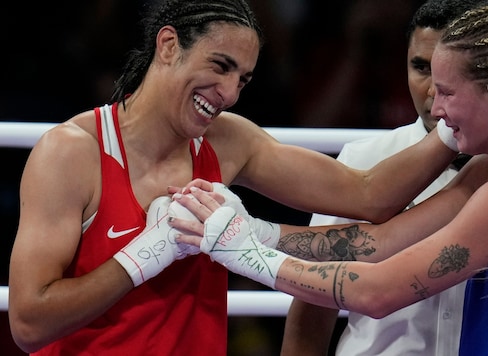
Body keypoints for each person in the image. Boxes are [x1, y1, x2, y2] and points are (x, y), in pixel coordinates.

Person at [7, 0, 463, 355]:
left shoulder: (228, 142)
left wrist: (458, 116)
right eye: (220, 66)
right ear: (168, 46)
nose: (228, 94)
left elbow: (369, 194)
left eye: (243, 80)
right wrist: (142, 257)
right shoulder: (70, 152)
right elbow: (29, 324)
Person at [172, 3, 488, 354]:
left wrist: (242, 252)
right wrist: (255, 231)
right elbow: (380, 242)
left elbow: (375, 292)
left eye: (448, 91)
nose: (438, 109)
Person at [281, 1, 480, 355]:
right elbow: (313, 305)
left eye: (452, 71)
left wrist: (251, 240)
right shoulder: (364, 160)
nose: (435, 90)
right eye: (421, 68)